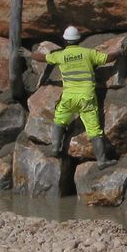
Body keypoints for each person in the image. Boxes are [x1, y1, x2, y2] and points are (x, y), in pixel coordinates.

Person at [31, 25, 117, 169]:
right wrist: (119, 52)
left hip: (69, 98)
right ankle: (102, 161)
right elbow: (107, 58)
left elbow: (43, 58)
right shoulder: (87, 53)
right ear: (79, 40)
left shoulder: (61, 55)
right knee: (94, 130)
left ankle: (55, 148)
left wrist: (29, 54)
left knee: (59, 119)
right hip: (86, 97)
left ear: (65, 40)